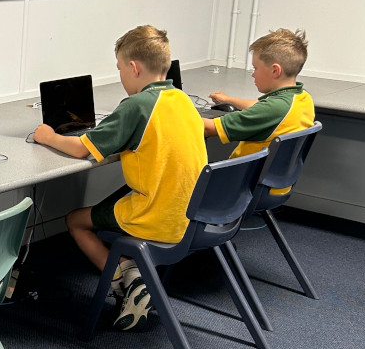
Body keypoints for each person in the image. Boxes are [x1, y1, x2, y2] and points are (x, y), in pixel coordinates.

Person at [33, 25, 207, 331]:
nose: (120, 77)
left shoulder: (136, 106)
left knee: (74, 220)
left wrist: (47, 136)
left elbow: (79, 149)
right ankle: (131, 274)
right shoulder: (182, 100)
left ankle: (123, 279)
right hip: (189, 212)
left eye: (119, 69)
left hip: (155, 216)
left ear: (134, 67)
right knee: (119, 193)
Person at [205, 29, 316, 180]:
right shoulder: (301, 98)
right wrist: (228, 99)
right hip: (272, 182)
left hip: (240, 186)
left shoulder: (272, 109)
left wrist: (176, 109)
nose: (253, 74)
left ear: (275, 70)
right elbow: (259, 106)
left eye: (255, 68)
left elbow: (207, 128)